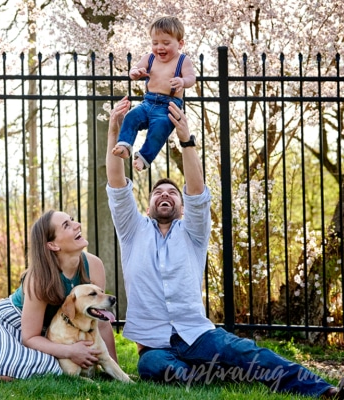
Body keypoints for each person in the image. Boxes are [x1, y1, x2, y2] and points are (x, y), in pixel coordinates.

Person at [105, 96, 344, 398]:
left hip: (199, 334)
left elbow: (197, 191)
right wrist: (115, 133)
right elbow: (116, 183)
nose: (164, 194)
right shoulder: (132, 231)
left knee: (249, 353)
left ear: (180, 206)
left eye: (172, 193)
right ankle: (217, 371)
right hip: (154, 345)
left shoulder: (193, 231)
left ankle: (324, 391)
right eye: (157, 192)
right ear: (149, 202)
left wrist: (186, 140)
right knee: (156, 366)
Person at [0, 210, 117, 381]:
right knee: (19, 366)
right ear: (53, 245)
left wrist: (112, 368)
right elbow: (30, 337)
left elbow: (101, 320)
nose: (77, 225)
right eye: (67, 225)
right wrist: (70, 351)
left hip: (44, 334)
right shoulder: (39, 278)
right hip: (6, 323)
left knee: (53, 369)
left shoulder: (94, 265)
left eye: (72, 220)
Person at [112, 16, 196, 171]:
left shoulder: (183, 60)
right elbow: (133, 70)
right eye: (155, 43)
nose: (160, 47)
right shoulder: (149, 58)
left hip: (168, 106)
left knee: (160, 129)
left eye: (166, 43)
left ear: (180, 43)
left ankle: (144, 157)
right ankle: (124, 145)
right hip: (148, 102)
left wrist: (183, 82)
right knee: (131, 117)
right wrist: (136, 72)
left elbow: (192, 78)